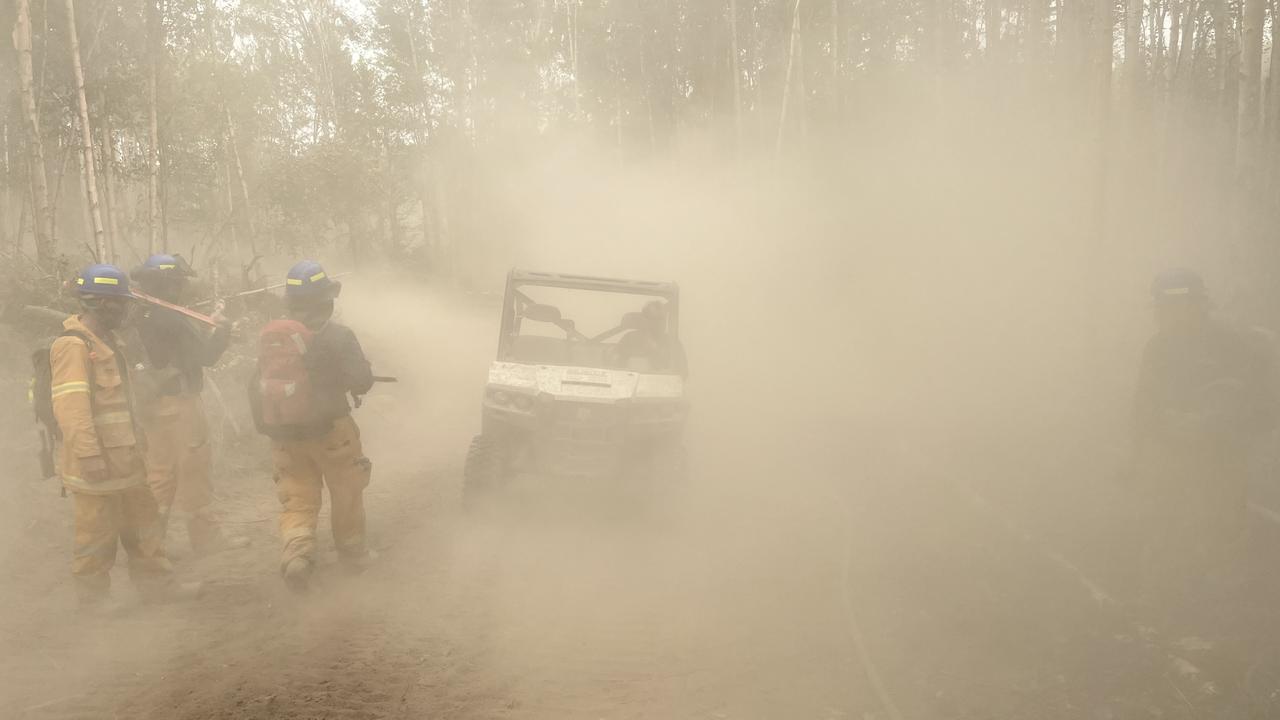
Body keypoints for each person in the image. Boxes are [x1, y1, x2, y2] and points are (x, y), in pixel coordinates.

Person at [51, 264, 197, 608]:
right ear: (105, 304)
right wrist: (89, 455)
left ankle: (159, 588)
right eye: (121, 303)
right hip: (96, 466)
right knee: (96, 537)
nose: (127, 309)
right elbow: (72, 408)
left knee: (145, 529)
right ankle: (93, 603)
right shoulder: (73, 346)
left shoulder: (108, 343)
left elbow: (121, 403)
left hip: (127, 460)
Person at [1125, 268, 1278, 599]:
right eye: (1165, 307)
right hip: (1171, 460)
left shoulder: (1233, 345)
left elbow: (1265, 411)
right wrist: (1152, 441)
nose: (1172, 315)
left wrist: (1212, 424)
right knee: (1171, 530)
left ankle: (1224, 601)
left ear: (1200, 305)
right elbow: (1143, 409)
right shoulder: (1158, 348)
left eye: (1181, 306)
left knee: (1223, 530)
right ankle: (1176, 593)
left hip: (1222, 459)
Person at [251, 260, 374, 592]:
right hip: (332, 432)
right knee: (346, 492)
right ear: (325, 299)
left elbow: (258, 385)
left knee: (297, 499)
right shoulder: (338, 335)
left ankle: (297, 556)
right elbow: (360, 381)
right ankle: (353, 556)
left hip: (283, 436)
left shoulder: (273, 336)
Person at [131, 254, 247, 555]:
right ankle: (205, 538)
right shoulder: (169, 316)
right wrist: (222, 329)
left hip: (150, 406)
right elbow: (205, 356)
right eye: (179, 281)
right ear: (169, 283)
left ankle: (151, 545)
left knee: (159, 474)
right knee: (194, 467)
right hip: (180, 405)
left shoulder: (140, 313)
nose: (182, 287)